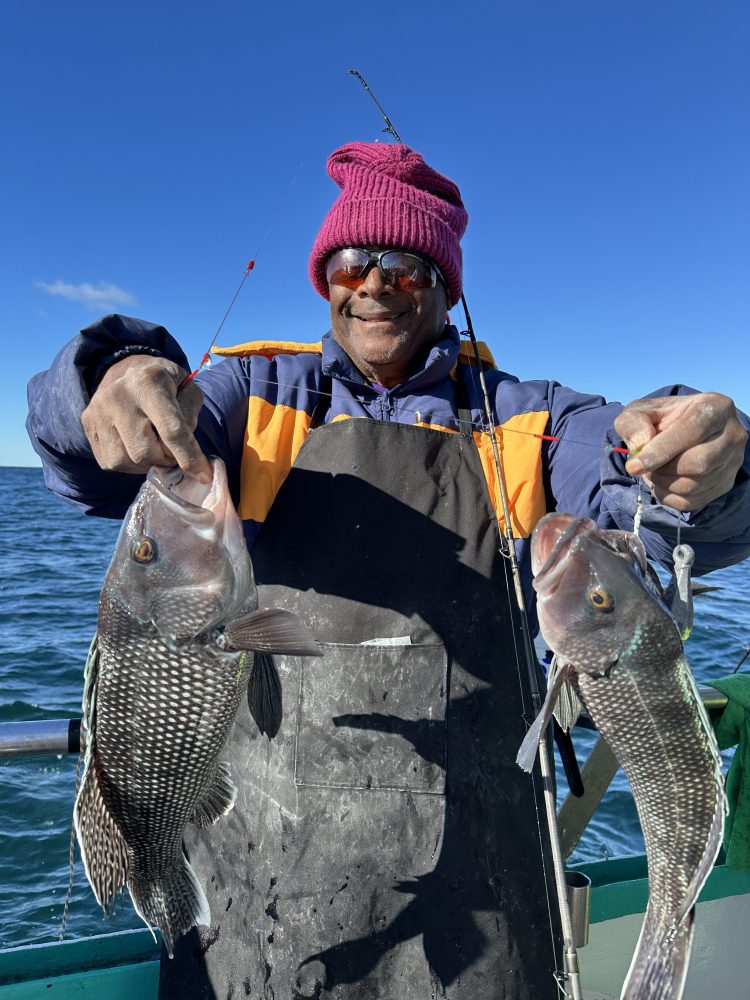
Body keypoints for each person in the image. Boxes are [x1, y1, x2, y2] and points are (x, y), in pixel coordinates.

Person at [27, 141, 750, 999]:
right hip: (250, 894)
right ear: (323, 277)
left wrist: (711, 468)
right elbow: (83, 460)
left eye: (404, 266)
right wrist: (106, 377)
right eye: (350, 261)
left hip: (479, 902)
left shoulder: (535, 421)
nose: (372, 283)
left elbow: (660, 507)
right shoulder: (243, 396)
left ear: (446, 285)